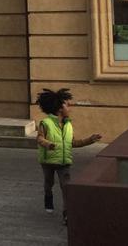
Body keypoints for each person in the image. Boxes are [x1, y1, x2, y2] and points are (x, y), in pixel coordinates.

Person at [35, 88, 101, 221]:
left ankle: (67, 214)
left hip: (64, 162)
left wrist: (90, 140)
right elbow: (39, 138)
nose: (70, 108)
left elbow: (73, 143)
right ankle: (48, 196)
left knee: (66, 187)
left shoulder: (69, 125)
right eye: (67, 105)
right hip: (48, 161)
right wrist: (49, 144)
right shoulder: (45, 123)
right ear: (59, 108)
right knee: (49, 182)